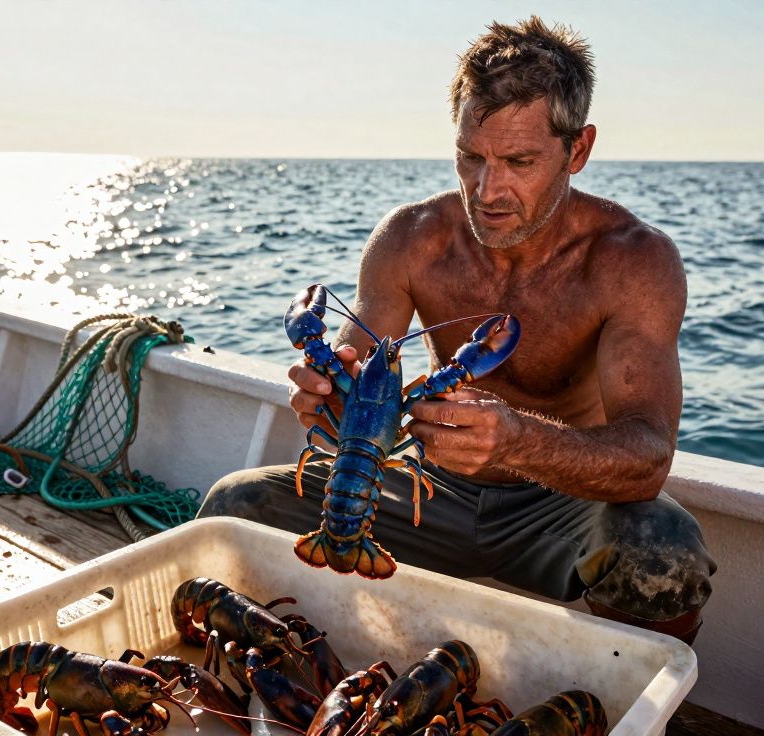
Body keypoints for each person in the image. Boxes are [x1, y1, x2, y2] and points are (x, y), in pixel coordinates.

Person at [199, 16, 715, 644]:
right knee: (234, 506)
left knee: (665, 550)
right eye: (471, 158)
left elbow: (647, 460)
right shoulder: (410, 239)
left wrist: (516, 441)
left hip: (559, 505)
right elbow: (354, 367)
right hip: (421, 490)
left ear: (578, 150)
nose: (487, 189)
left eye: (519, 161)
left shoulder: (633, 261)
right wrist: (324, 396)